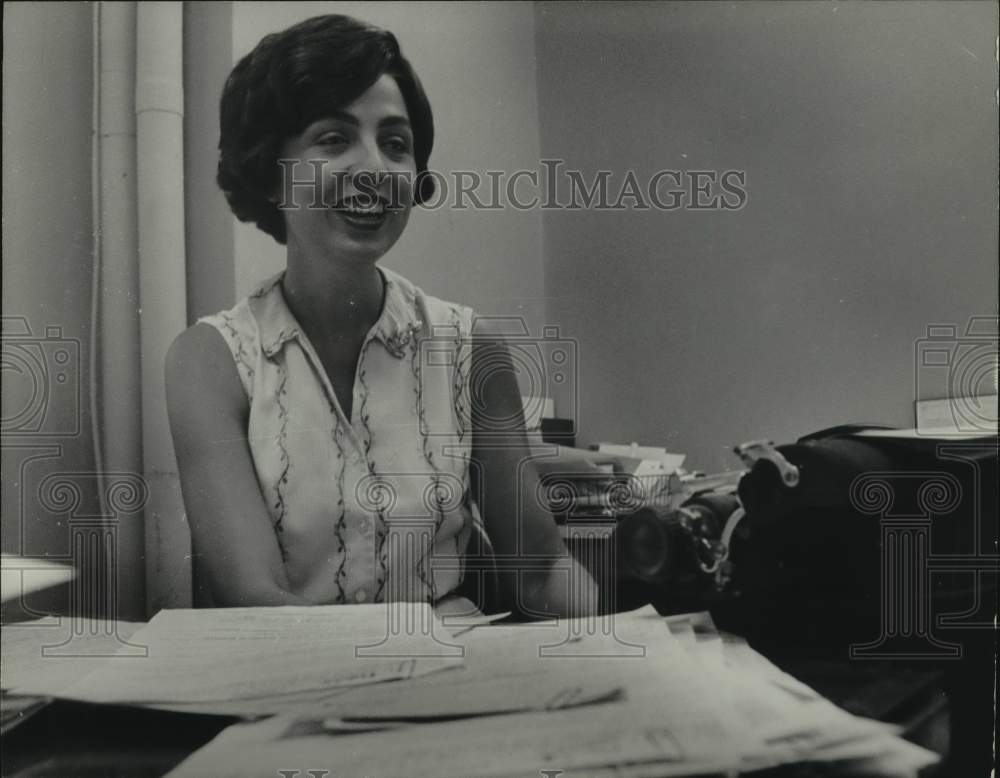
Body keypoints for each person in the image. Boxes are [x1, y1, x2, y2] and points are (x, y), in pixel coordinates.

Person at [165, 14, 599, 617]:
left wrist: (615, 649)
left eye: (395, 145)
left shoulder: (471, 347)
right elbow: (257, 600)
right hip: (293, 686)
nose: (374, 169)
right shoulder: (210, 361)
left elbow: (542, 569)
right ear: (269, 170)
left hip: (458, 677)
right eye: (333, 138)